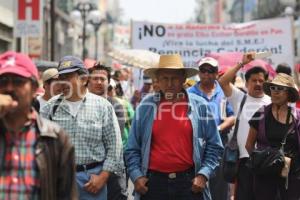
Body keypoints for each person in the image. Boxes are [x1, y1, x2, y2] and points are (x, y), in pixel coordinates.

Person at [125, 54, 224, 200]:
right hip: (153, 184)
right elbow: (132, 147)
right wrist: (136, 176)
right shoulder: (146, 106)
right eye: (165, 78)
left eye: (175, 78)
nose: (170, 83)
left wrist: (203, 174)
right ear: (158, 80)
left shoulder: (200, 105)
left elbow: (215, 146)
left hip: (189, 183)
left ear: (183, 79)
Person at [40, 56, 123, 200]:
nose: (63, 82)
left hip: (92, 182)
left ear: (84, 79)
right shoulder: (50, 107)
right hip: (59, 181)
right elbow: (40, 145)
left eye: (68, 77)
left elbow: (115, 147)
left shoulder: (102, 107)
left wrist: (102, 177)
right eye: (61, 77)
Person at [0, 51, 77, 199]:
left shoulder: (55, 139)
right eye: (2, 81)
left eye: (18, 81)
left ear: (35, 88)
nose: (9, 88)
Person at [218, 52, 271, 200]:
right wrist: (242, 63)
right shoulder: (239, 99)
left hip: (265, 162)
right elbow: (222, 81)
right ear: (247, 83)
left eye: (261, 80)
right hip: (244, 163)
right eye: (254, 80)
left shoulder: (271, 103)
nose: (258, 84)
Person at [245, 73, 300, 200]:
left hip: (291, 177)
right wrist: (262, 161)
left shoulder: (297, 117)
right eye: (273, 88)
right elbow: (249, 145)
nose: (275, 92)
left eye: (280, 89)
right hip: (264, 177)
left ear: (289, 93)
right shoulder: (260, 113)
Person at [188, 57, 235, 200]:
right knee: (197, 183)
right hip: (196, 145)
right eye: (203, 70)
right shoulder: (189, 93)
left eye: (210, 71)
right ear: (199, 73)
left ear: (216, 73)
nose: (206, 74)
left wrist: (218, 128)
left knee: (220, 185)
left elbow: (233, 116)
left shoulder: (224, 91)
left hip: (220, 143)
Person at [87, 62, 127, 200]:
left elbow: (114, 141)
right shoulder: (82, 105)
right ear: (88, 81)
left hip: (113, 171)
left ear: (108, 82)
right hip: (89, 171)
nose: (99, 82)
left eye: (102, 79)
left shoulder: (116, 106)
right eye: (95, 78)